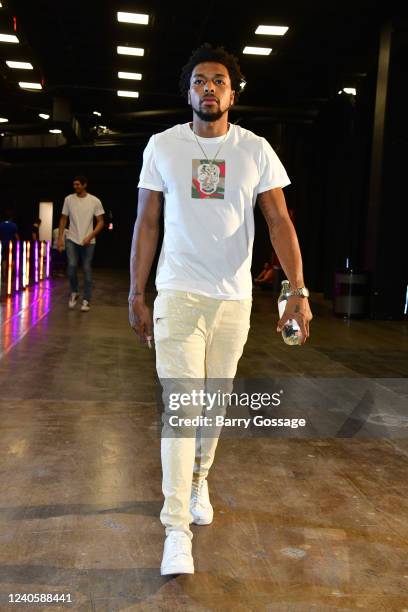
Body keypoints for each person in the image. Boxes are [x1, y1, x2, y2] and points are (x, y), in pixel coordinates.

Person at [128, 43, 313, 576]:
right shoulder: (162, 145)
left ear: (232, 93)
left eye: (219, 81)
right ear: (188, 92)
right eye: (200, 81)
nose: (209, 88)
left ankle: (200, 479)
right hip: (179, 295)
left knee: (213, 407)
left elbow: (280, 222)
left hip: (233, 299)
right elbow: (147, 222)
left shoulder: (255, 149)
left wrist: (297, 290)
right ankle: (175, 530)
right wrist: (137, 293)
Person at [57, 176, 104, 312]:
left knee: (87, 269)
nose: (75, 187)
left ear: (84, 185)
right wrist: (60, 238)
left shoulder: (94, 201)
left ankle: (86, 299)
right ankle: (74, 292)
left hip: (89, 241)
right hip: (72, 239)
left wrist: (90, 236)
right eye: (74, 184)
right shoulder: (68, 199)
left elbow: (101, 222)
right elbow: (63, 219)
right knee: (71, 266)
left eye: (78, 184)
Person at [0, 209, 20, 280]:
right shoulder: (13, 225)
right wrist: (18, 243)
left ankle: (4, 275)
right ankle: (11, 275)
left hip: (3, 244)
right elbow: (16, 236)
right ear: (11, 217)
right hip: (12, 245)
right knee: (12, 260)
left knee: (4, 260)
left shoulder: (1, 224)